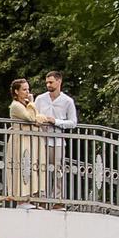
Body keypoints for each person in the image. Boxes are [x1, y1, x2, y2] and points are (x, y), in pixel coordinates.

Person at [33, 71, 78, 205]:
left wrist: (56, 121)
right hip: (41, 139)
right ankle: (41, 198)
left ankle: (58, 199)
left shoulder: (67, 101)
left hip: (57, 140)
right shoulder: (41, 99)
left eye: (51, 82)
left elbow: (73, 122)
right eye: (47, 82)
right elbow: (33, 115)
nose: (48, 85)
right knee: (40, 169)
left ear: (59, 82)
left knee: (58, 169)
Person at [6, 78, 44, 203]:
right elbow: (30, 117)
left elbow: (36, 116)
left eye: (28, 89)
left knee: (30, 166)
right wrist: (32, 103)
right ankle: (21, 199)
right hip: (20, 140)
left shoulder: (24, 104)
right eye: (24, 90)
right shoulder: (16, 105)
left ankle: (30, 197)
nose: (27, 92)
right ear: (16, 91)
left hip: (28, 140)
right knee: (21, 166)